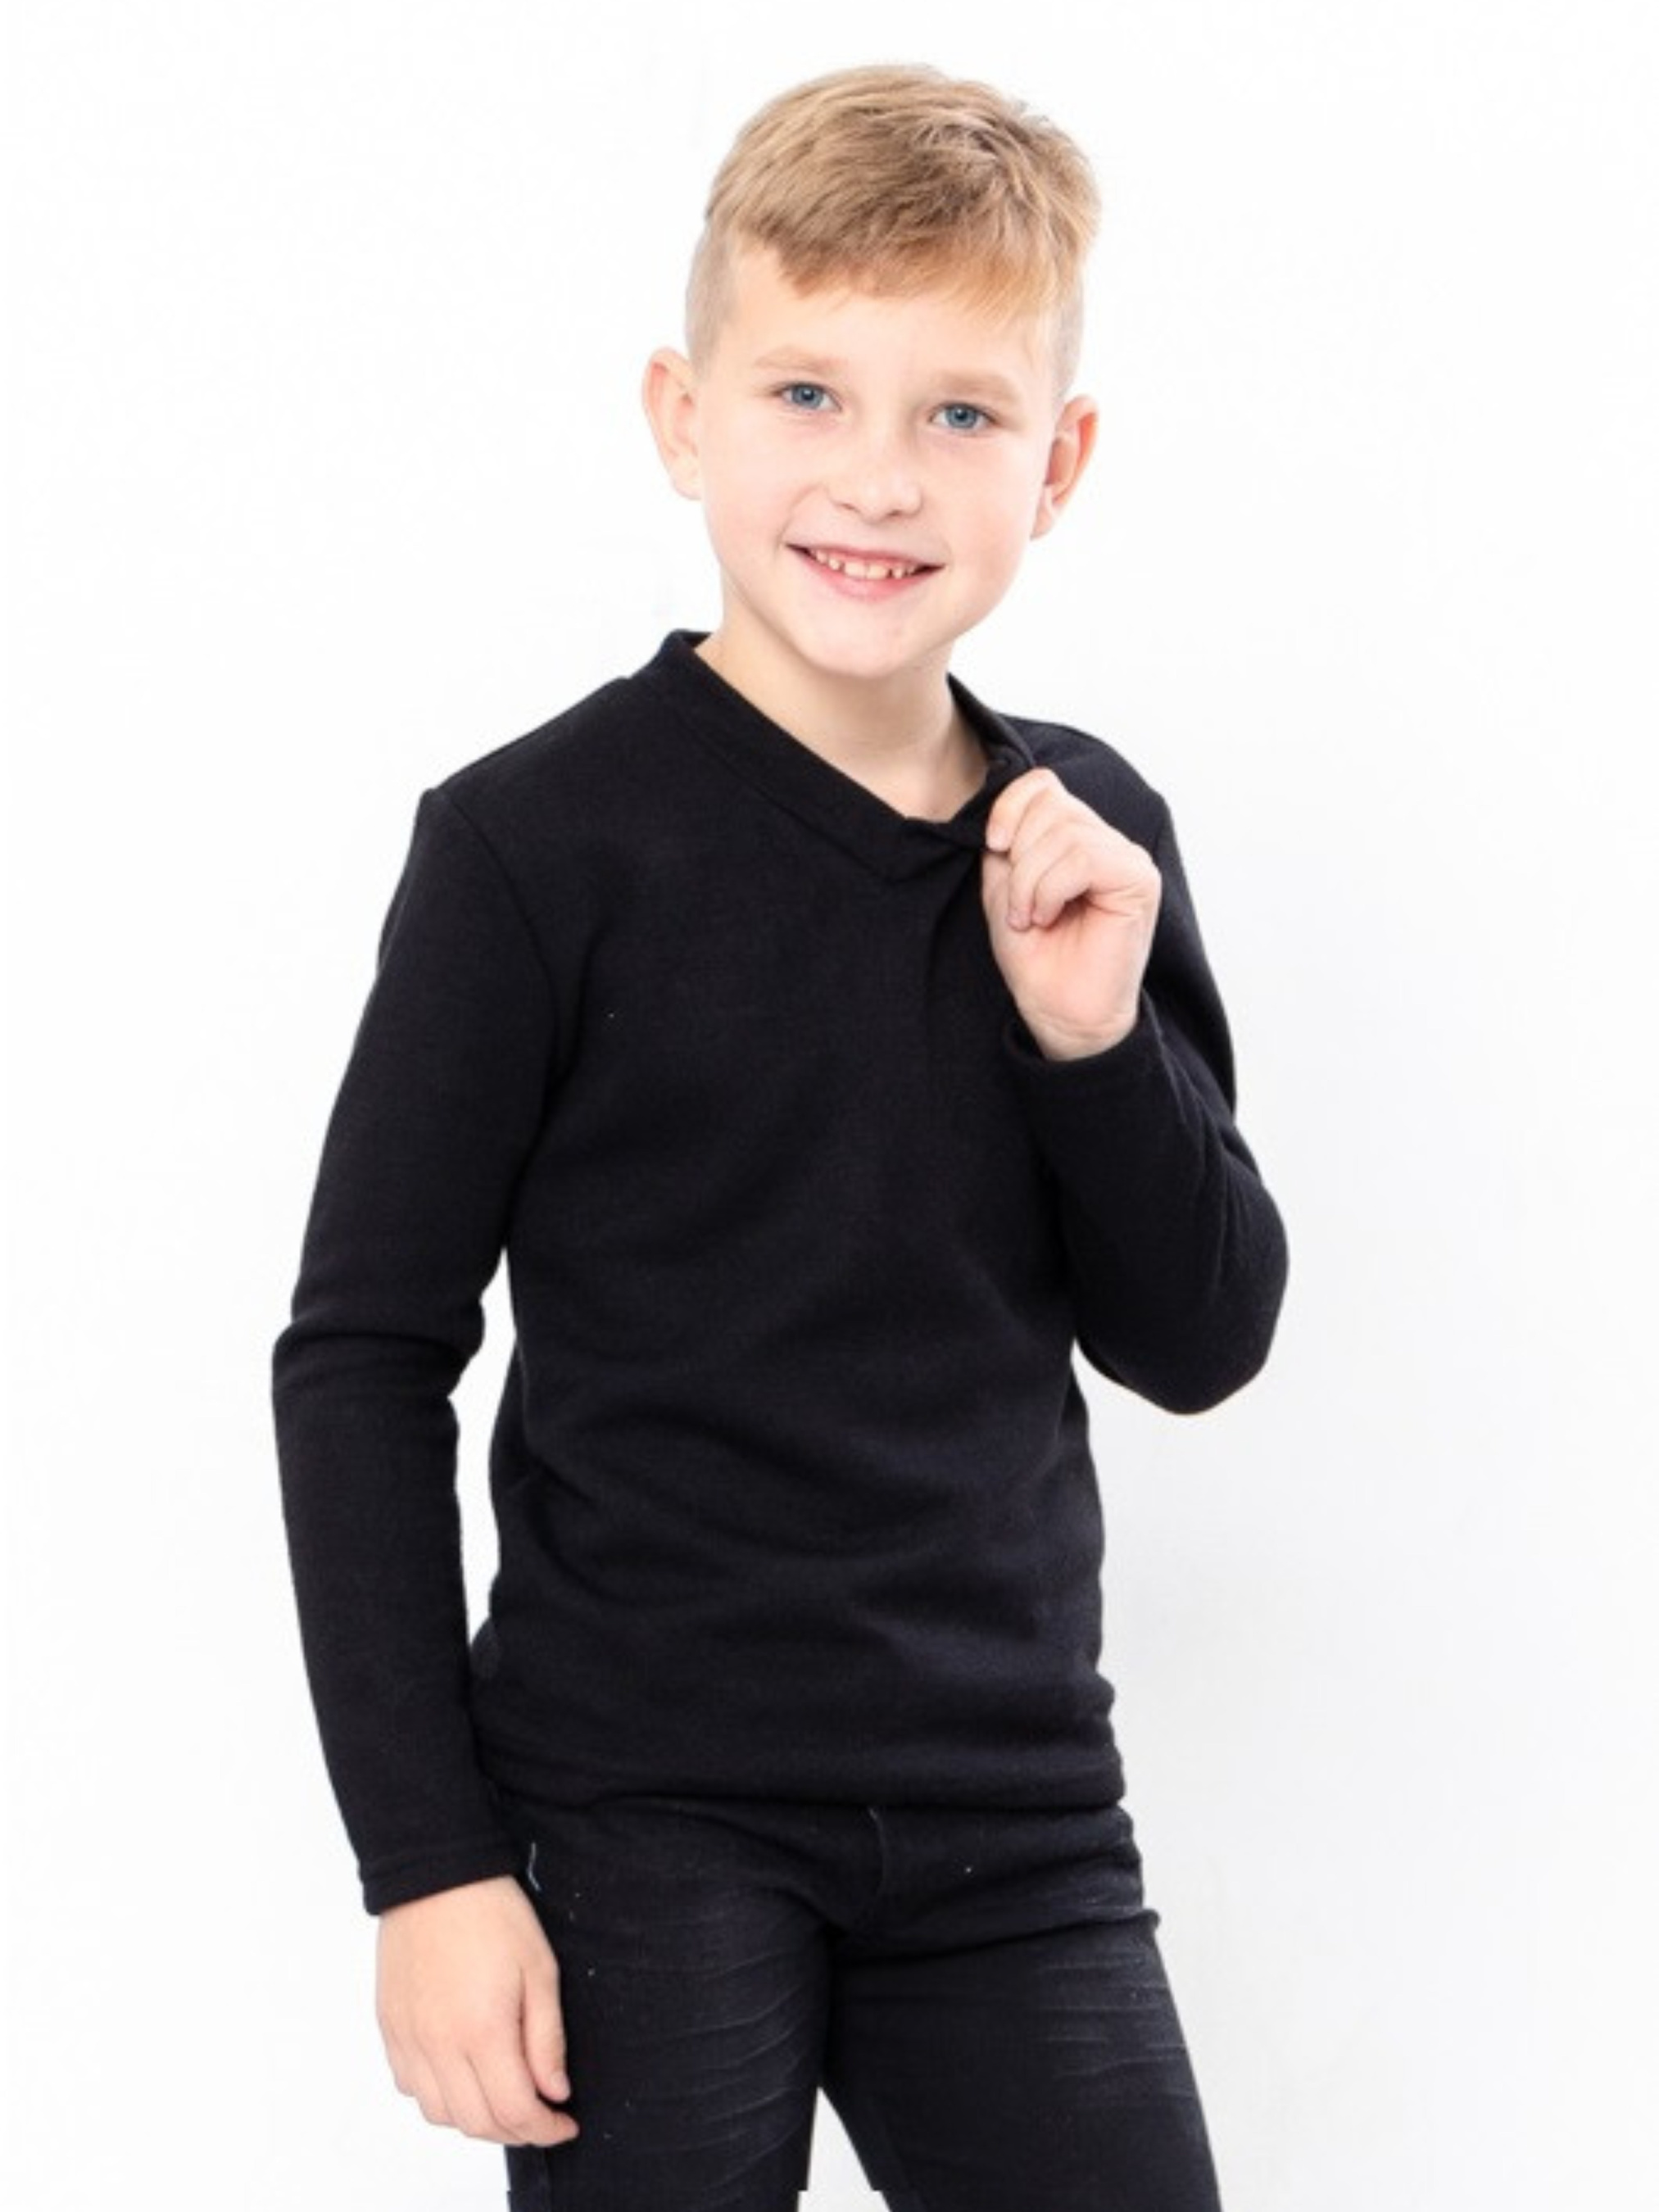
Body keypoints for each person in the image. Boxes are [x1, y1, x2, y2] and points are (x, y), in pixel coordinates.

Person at [271, 60, 1289, 2212]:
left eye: (961, 412)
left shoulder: (1083, 836)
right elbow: (361, 1357)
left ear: (1059, 460)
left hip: (1014, 1812)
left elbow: (1198, 1338)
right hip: (637, 1811)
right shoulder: (532, 847)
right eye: (808, 392)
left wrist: (1092, 1041)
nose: (879, 477)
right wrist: (428, 1865)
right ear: (683, 416)